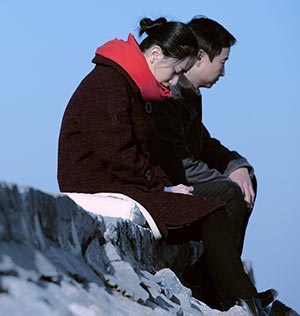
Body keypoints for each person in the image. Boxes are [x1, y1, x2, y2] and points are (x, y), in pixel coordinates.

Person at [57, 17, 267, 315]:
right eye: (174, 72)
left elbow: (134, 154)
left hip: (123, 181)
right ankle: (239, 298)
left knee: (211, 209)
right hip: (100, 184)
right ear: (155, 55)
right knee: (214, 209)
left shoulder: (127, 83)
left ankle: (232, 294)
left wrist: (165, 184)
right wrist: (163, 186)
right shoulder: (109, 84)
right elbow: (120, 155)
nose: (172, 82)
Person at [149, 16, 271, 309]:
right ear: (201, 57)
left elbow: (204, 145)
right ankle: (223, 289)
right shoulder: (171, 95)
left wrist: (236, 166)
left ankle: (213, 277)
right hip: (169, 182)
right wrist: (226, 182)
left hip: (184, 174)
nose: (224, 72)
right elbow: (179, 162)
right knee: (228, 193)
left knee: (244, 182)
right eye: (223, 61)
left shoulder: (189, 95)